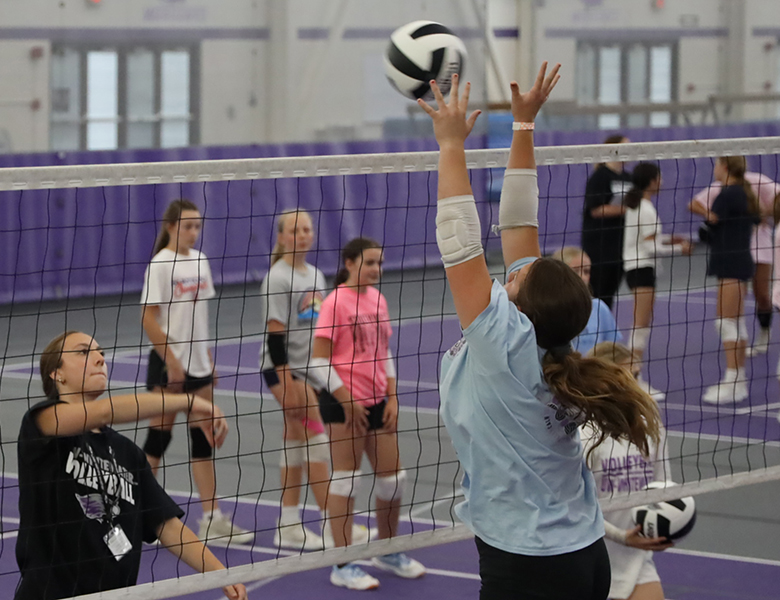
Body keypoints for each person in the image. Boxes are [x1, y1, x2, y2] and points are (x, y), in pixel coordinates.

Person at [419, 65, 662, 599]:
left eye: (523, 271)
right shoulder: (546, 339)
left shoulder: (501, 341)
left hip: (529, 566)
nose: (519, 262)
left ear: (521, 303)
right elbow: (518, 223)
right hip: (582, 552)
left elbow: (459, 238)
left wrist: (450, 145)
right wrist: (523, 127)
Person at [14, 330, 247, 600]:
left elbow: (167, 526)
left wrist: (220, 573)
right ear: (57, 374)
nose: (100, 358)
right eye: (83, 352)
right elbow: (105, 411)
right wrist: (191, 401)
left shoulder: (127, 452)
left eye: (101, 352)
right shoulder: (42, 423)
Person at [312, 237, 426, 590]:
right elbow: (317, 360)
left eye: (379, 263)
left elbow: (383, 351)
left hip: (377, 400)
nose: (377, 269)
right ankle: (341, 563)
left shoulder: (378, 299)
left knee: (394, 479)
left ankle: (387, 550)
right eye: (370, 263)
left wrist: (392, 397)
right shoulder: (334, 303)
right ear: (349, 263)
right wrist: (347, 400)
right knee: (346, 479)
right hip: (342, 401)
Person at [140, 199, 253, 543]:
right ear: (171, 226)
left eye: (197, 226)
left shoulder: (201, 261)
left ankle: (212, 519)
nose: (193, 232)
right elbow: (148, 319)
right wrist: (172, 361)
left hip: (200, 365)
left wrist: (207, 358)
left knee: (203, 440)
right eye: (187, 226)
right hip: (168, 366)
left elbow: (198, 318)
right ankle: (143, 514)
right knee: (158, 439)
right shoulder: (160, 265)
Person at [260, 209, 331, 551]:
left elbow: (319, 327)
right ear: (282, 237)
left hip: (310, 369)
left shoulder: (316, 275)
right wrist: (287, 384)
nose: (303, 234)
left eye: (307, 228)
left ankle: (288, 523)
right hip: (284, 369)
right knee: (316, 438)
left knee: (294, 439)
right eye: (295, 230)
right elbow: (276, 337)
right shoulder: (278, 277)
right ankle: (333, 521)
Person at [583, 342, 673, 600]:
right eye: (630, 376)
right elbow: (577, 509)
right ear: (604, 381)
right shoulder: (585, 435)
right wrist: (621, 536)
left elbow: (664, 485)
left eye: (638, 375)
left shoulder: (649, 429)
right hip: (588, 557)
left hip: (634, 557)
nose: (637, 384)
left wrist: (669, 522)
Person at [690, 168, 780, 355]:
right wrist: (710, 215)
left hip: (760, 245)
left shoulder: (758, 180)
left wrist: (764, 211)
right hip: (736, 249)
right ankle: (738, 344)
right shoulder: (722, 188)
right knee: (737, 297)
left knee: (762, 294)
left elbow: (776, 200)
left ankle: (764, 331)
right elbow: (693, 203)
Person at [622, 163, 692, 400]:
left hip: (637, 268)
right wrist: (679, 250)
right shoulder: (645, 208)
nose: (662, 181)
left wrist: (672, 240)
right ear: (651, 181)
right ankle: (634, 379)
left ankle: (633, 376)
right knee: (640, 325)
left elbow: (650, 239)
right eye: (659, 177)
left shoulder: (638, 206)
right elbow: (650, 246)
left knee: (641, 324)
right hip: (641, 268)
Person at [698, 157, 761, 404]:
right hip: (738, 261)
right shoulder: (743, 194)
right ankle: (737, 380)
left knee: (726, 323)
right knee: (736, 322)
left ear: (725, 167)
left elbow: (710, 225)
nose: (714, 168)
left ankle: (734, 381)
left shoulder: (728, 194)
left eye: (716, 164)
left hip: (731, 263)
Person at [582, 135, 633, 310]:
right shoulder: (600, 177)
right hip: (599, 244)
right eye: (625, 146)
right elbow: (596, 209)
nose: (629, 151)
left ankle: (605, 328)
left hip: (620, 243)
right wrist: (628, 210)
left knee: (610, 292)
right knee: (597, 291)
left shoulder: (628, 177)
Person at [550, 246, 621, 356]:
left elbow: (615, 352)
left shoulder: (599, 308)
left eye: (586, 271)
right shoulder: (548, 310)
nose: (582, 277)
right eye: (576, 271)